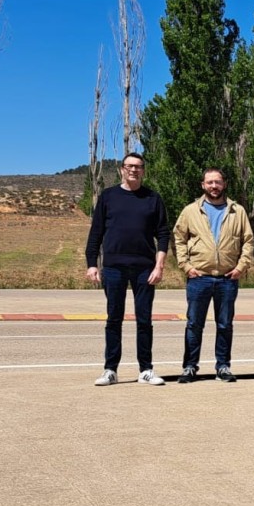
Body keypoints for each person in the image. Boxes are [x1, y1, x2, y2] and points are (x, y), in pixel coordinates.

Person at [85, 152, 170, 387]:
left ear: (144, 170)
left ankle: (146, 370)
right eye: (130, 166)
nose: (134, 170)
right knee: (114, 319)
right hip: (113, 267)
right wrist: (92, 263)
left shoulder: (153, 198)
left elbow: (163, 234)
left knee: (144, 320)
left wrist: (159, 265)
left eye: (138, 166)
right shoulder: (108, 196)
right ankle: (110, 370)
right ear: (122, 169)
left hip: (145, 269)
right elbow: (96, 233)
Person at [172, 167, 254, 383]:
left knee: (225, 324)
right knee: (194, 324)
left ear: (224, 184)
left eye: (217, 182)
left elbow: (248, 241)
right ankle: (190, 367)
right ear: (203, 185)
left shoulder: (238, 211)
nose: (214, 186)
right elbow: (178, 238)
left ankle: (223, 366)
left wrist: (241, 267)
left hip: (228, 278)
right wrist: (186, 266)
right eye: (209, 182)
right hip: (199, 277)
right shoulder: (191, 211)